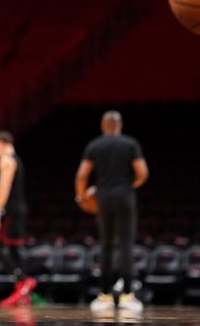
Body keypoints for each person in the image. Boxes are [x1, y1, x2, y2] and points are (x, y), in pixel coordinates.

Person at [74, 110, 149, 312]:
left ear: (102, 126)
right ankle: (127, 296)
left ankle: (104, 296)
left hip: (103, 197)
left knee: (106, 245)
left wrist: (82, 198)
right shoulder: (130, 144)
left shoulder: (94, 145)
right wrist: (129, 185)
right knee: (126, 245)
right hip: (125, 196)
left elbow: (81, 176)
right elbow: (142, 173)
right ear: (120, 125)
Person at [0, 131, 36, 307]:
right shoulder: (15, 158)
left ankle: (24, 281)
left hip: (10, 211)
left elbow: (4, 186)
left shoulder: (6, 160)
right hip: (18, 210)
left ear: (1, 143)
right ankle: (22, 291)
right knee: (14, 250)